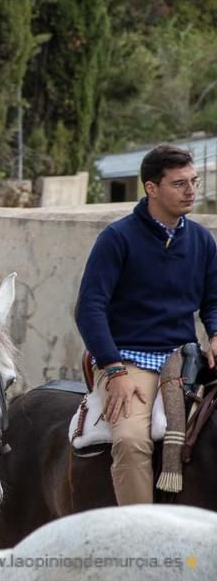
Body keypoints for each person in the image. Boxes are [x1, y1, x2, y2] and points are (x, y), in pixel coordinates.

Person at [75, 144, 217, 506]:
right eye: (179, 184)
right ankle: (139, 535)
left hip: (184, 360)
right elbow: (89, 308)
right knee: (131, 440)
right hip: (127, 361)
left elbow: (212, 302)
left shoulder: (202, 240)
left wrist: (216, 333)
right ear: (151, 188)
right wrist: (114, 369)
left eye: (193, 182)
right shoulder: (117, 238)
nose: (191, 192)